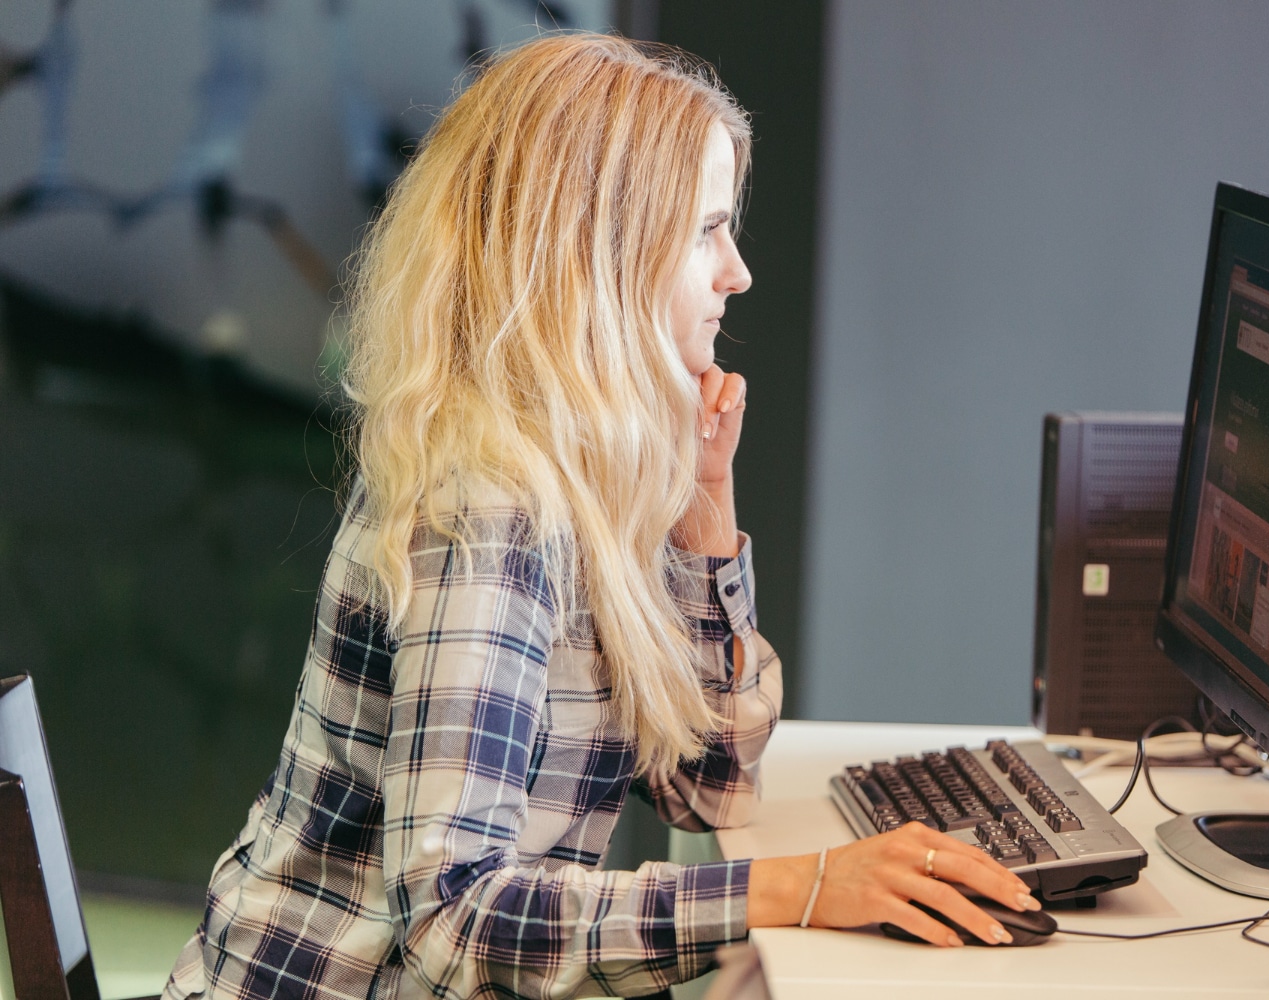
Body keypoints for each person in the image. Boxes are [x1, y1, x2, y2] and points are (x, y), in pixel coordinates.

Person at [164, 32, 1038, 1000]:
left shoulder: (584, 470)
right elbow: (458, 921)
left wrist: (706, 508)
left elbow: (709, 785)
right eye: (707, 229)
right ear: (601, 251)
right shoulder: (487, 512)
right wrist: (801, 886)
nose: (737, 270)